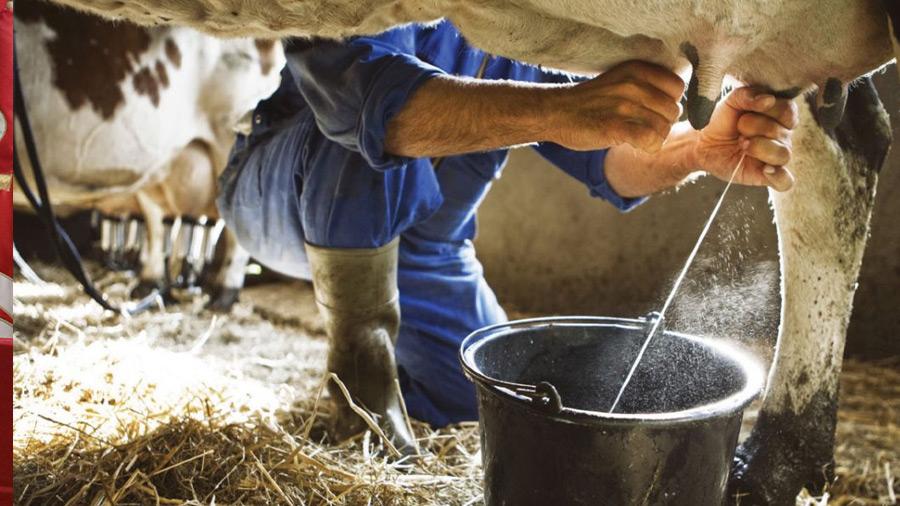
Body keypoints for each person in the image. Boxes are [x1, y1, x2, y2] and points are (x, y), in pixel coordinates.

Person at [217, 20, 798, 453]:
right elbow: (370, 105)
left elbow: (611, 161)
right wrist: (564, 110)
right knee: (366, 130)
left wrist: (696, 148)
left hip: (426, 254)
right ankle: (359, 386)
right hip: (280, 191)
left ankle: (406, 380)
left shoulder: (520, 25)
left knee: (490, 398)